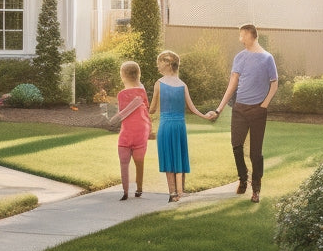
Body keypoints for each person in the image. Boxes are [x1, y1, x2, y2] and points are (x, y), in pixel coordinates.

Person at [208, 24, 278, 203]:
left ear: (251, 35)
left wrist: (264, 105)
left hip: (257, 111)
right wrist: (219, 108)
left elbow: (274, 84)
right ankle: (242, 179)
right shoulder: (239, 57)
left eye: (242, 35)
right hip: (239, 108)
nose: (240, 39)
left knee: (256, 152)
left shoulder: (267, 58)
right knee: (236, 145)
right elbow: (232, 84)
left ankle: (256, 188)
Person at [150, 50, 214, 202]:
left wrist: (142, 107)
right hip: (179, 125)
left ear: (167, 63)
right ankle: (181, 191)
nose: (157, 65)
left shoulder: (159, 84)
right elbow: (192, 108)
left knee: (168, 158)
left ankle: (172, 193)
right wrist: (206, 116)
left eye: (159, 62)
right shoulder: (183, 85)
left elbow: (152, 109)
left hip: (166, 125)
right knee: (179, 155)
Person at [108, 61, 151, 200]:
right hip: (141, 132)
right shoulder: (142, 91)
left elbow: (122, 113)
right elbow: (147, 109)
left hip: (126, 133)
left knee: (124, 163)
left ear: (122, 76)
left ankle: (125, 191)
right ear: (138, 75)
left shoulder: (121, 95)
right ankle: (139, 189)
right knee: (139, 162)